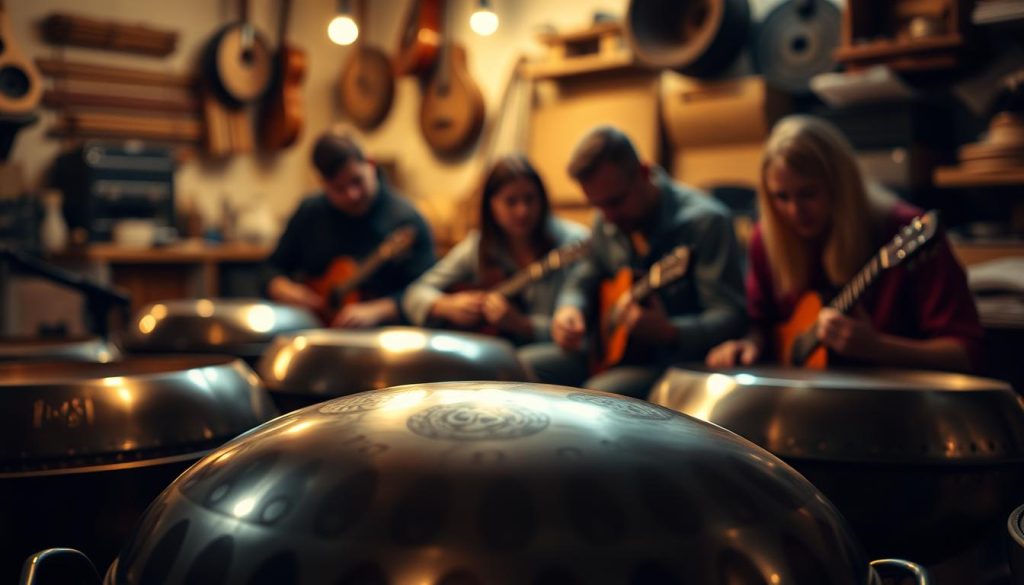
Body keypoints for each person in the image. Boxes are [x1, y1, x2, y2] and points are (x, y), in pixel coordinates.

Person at [706, 115, 983, 372]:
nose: (794, 212)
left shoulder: (903, 229)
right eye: (781, 197)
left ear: (841, 185)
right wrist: (749, 346)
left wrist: (880, 348)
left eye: (808, 193)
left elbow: (964, 354)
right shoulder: (767, 238)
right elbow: (761, 325)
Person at [520, 126, 747, 397]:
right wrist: (570, 308)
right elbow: (585, 274)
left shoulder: (705, 223)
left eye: (615, 202)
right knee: (517, 366)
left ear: (643, 172)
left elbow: (731, 317)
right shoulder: (607, 221)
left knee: (598, 397)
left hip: (676, 363)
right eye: (598, 205)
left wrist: (670, 332)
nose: (608, 216)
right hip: (608, 352)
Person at [403, 154, 588, 344]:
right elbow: (414, 294)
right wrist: (445, 305)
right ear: (492, 206)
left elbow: (577, 331)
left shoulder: (572, 242)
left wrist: (522, 325)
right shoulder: (479, 245)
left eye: (530, 199)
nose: (522, 211)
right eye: (511, 202)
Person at [263, 131, 435, 327]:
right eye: (339, 189)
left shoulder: (407, 221)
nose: (352, 195)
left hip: (384, 337)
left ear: (370, 163)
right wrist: (281, 287)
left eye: (357, 181)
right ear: (323, 184)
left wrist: (380, 310)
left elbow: (427, 292)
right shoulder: (310, 211)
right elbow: (270, 268)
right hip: (315, 330)